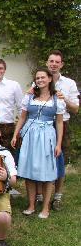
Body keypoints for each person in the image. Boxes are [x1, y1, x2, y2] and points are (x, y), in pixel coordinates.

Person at [11, 69, 64, 219]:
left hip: (47, 135)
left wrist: (58, 144)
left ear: (49, 79)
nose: (40, 80)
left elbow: (59, 122)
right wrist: (16, 134)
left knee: (48, 172)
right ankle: (32, 204)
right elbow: (22, 118)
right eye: (37, 78)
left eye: (43, 77)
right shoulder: (29, 97)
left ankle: (46, 207)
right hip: (30, 135)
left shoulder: (56, 98)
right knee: (29, 171)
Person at [45, 50, 79, 211]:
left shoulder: (69, 83)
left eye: (56, 62)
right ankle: (41, 196)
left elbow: (76, 109)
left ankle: (57, 197)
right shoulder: (40, 79)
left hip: (61, 125)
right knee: (43, 160)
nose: (53, 64)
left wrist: (64, 98)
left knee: (59, 161)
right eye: (51, 61)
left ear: (61, 64)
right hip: (43, 125)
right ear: (47, 63)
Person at [0, 59, 23, 154]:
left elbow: (21, 108)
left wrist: (20, 127)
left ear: (4, 70)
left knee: (8, 156)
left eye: (1, 68)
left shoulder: (14, 85)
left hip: (7, 127)